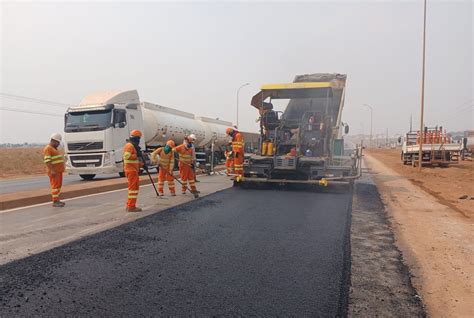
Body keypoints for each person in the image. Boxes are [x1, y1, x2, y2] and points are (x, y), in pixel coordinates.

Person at [123, 130, 145, 212]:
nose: (139, 140)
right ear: (136, 138)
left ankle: (130, 205)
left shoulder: (132, 145)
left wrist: (141, 164)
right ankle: (131, 206)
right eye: (138, 138)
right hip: (131, 170)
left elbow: (133, 161)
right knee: (133, 188)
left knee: (134, 188)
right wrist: (136, 155)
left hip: (133, 170)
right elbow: (126, 156)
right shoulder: (129, 145)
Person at [43, 133, 66, 207]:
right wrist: (52, 170)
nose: (58, 144)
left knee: (58, 186)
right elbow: (47, 161)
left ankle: (57, 199)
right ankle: (55, 201)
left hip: (58, 171)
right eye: (58, 142)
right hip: (54, 172)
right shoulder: (48, 148)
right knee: (55, 186)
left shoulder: (54, 148)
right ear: (53, 141)